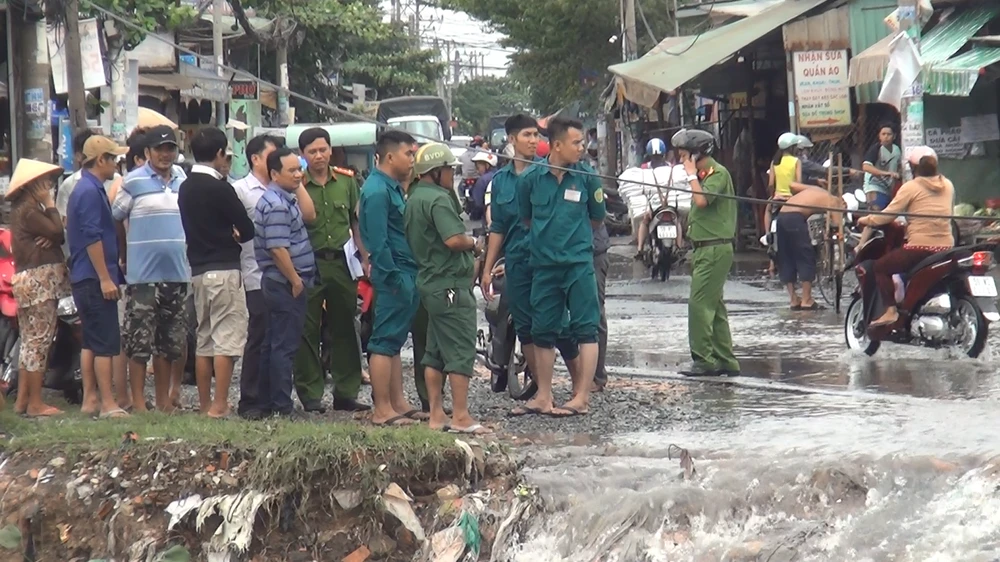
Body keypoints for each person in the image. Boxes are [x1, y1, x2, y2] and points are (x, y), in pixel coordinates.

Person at [480, 114, 582, 416]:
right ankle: (544, 396)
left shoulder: (547, 174)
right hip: (517, 263)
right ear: (511, 139)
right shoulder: (500, 182)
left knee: (559, 326)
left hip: (547, 261)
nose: (533, 140)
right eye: (526, 135)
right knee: (525, 328)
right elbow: (498, 227)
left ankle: (580, 391)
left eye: (536, 136)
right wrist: (488, 267)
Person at [516, 116, 604, 417]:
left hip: (578, 263)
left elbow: (596, 218)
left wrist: (572, 240)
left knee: (586, 329)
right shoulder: (530, 179)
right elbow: (526, 218)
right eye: (576, 142)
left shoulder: (587, 177)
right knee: (542, 331)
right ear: (556, 145)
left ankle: (581, 397)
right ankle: (544, 395)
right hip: (543, 266)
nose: (582, 147)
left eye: (582, 142)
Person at [404, 143, 490, 434]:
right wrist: (474, 245)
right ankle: (461, 416)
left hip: (430, 283)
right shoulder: (439, 200)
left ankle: (437, 414)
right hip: (449, 285)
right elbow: (453, 239)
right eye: (449, 170)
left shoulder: (414, 197)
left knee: (434, 352)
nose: (452, 175)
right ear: (436, 171)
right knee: (460, 349)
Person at [178, 127, 255, 418]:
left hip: (198, 269)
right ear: (220, 153)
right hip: (224, 267)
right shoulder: (221, 188)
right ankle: (220, 403)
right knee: (226, 338)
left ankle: (204, 403)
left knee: (205, 337)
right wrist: (234, 233)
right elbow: (246, 228)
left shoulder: (185, 187)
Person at [113, 125, 189, 412]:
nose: (165, 154)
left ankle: (163, 402)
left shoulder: (183, 179)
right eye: (160, 149)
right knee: (138, 341)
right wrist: (124, 253)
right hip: (143, 274)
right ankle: (138, 402)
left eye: (170, 148)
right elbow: (116, 217)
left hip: (177, 271)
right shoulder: (133, 181)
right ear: (147, 153)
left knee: (169, 342)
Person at [295, 127, 368, 413]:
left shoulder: (347, 181)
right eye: (312, 151)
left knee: (346, 327)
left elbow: (356, 223)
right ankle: (310, 394)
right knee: (307, 328)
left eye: (323, 149)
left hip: (341, 262)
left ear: (330, 149)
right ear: (303, 155)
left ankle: (346, 392)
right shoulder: (298, 183)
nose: (319, 156)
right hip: (308, 262)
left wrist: (364, 258)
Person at [359, 130, 424, 426]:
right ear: (389, 156)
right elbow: (377, 241)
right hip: (393, 273)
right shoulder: (376, 190)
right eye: (408, 154)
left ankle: (397, 402)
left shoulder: (392, 187)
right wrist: (393, 276)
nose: (412, 160)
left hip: (405, 270)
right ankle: (382, 408)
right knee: (384, 340)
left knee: (395, 340)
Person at [66, 136, 129, 418]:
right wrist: (105, 277)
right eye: (113, 158)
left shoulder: (88, 188)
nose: (116, 163)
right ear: (100, 160)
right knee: (104, 341)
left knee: (91, 340)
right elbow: (92, 237)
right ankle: (107, 402)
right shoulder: (90, 191)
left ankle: (90, 399)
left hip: (85, 275)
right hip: (93, 276)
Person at [858, 146, 954, 327]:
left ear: (912, 167)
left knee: (880, 267)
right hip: (947, 247)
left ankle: (890, 311)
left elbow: (887, 215)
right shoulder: (948, 184)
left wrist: (866, 219)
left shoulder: (910, 187)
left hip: (920, 248)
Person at [672, 128, 740, 377]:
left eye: (683, 156)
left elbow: (702, 201)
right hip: (705, 248)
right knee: (715, 307)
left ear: (696, 154)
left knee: (699, 304)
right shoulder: (702, 174)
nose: (681, 162)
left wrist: (691, 176)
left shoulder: (716, 173)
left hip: (714, 248)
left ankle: (704, 360)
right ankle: (725, 359)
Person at [6, 159, 71, 417]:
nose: (49, 187)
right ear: (33, 186)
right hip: (39, 281)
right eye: (44, 183)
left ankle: (23, 400)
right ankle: (35, 403)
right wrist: (52, 207)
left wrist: (53, 231)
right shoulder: (31, 211)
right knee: (39, 342)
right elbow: (58, 231)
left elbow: (55, 234)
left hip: (28, 280)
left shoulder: (24, 211)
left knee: (30, 342)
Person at [254, 147, 317, 418]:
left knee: (274, 344)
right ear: (274, 174)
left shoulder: (283, 197)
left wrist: (297, 183)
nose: (298, 174)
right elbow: (277, 248)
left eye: (299, 168)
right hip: (284, 283)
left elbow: (309, 214)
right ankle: (282, 406)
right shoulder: (277, 204)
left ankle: (270, 403)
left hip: (283, 282)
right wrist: (295, 280)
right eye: (291, 170)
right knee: (283, 347)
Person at [232, 134, 284, 419]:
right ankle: (250, 399)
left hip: (283, 273)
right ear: (255, 158)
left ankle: (275, 397)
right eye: (271, 155)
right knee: (258, 336)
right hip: (254, 273)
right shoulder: (240, 190)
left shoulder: (283, 187)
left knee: (280, 337)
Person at [775, 182, 845, 310]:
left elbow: (792, 185)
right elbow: (838, 229)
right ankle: (807, 300)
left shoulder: (816, 189)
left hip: (781, 216)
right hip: (795, 218)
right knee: (805, 256)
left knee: (786, 257)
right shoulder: (834, 202)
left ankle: (794, 299)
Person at [862, 124, 901, 211]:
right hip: (874, 188)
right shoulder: (875, 149)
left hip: (887, 189)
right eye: (883, 134)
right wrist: (887, 173)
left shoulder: (897, 150)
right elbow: (866, 167)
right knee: (876, 215)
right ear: (879, 136)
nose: (886, 137)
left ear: (894, 136)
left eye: (889, 134)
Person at [467, 151, 497, 222]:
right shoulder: (501, 175)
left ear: (487, 165)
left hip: (489, 218)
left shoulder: (483, 180)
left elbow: (478, 203)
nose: (477, 170)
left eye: (478, 166)